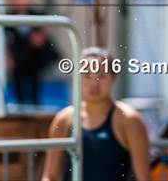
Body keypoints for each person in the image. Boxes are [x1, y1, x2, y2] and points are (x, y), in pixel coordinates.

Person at [41, 46, 151, 181]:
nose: (94, 83)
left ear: (113, 77)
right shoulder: (64, 119)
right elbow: (49, 176)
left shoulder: (128, 120)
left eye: (101, 76)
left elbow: (144, 177)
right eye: (87, 76)